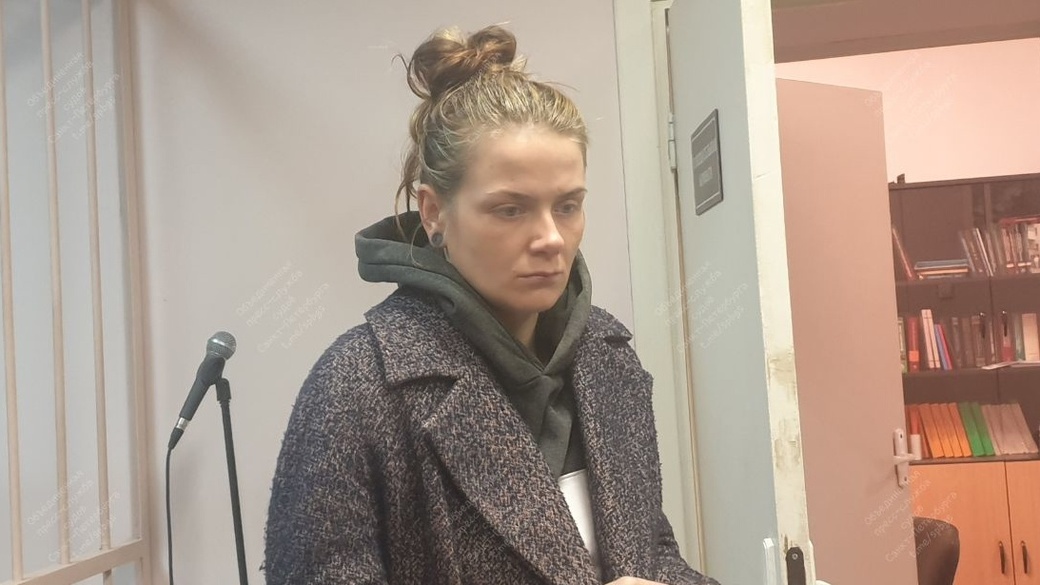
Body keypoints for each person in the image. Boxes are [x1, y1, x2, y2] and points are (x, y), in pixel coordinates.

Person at [263, 24, 720, 585]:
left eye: (568, 206)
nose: (550, 238)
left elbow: (655, 552)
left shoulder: (608, 358)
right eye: (510, 209)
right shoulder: (358, 387)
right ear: (434, 213)